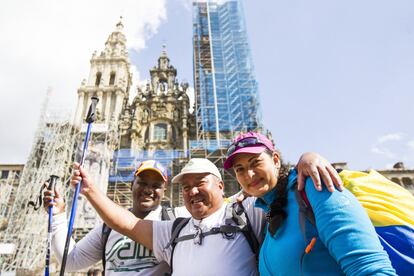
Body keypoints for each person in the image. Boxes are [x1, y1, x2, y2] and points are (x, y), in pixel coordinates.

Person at [70, 154, 341, 275]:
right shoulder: (173, 231)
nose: (193, 191)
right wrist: (91, 190)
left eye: (201, 183)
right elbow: (128, 223)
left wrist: (305, 160)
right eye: (186, 187)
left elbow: (271, 189)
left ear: (221, 186)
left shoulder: (248, 213)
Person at [223, 131, 397, 275]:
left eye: (256, 163)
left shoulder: (315, 188)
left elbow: (371, 269)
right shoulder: (265, 212)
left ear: (276, 160)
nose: (250, 174)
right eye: (240, 169)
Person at [43, 160, 178, 275]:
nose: (148, 190)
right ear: (132, 185)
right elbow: (71, 261)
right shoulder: (108, 228)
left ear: (164, 191)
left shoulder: (174, 222)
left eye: (156, 186)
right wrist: (57, 215)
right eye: (142, 183)